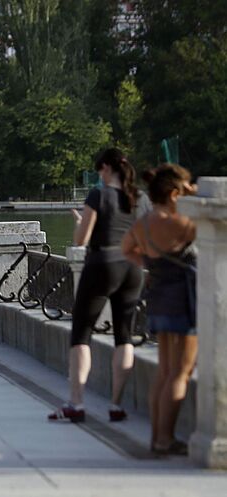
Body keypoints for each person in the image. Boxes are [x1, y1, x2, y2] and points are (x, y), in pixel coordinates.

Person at [48, 148, 151, 424]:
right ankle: (116, 405)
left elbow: (81, 240)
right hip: (132, 268)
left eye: (99, 172)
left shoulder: (98, 195)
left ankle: (76, 403)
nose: (99, 177)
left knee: (81, 333)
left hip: (102, 263)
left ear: (106, 168)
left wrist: (81, 225)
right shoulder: (140, 198)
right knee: (124, 335)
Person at [122, 164, 197, 456]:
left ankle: (157, 436)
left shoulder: (143, 224)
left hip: (158, 299)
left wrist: (150, 267)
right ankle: (165, 439)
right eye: (186, 188)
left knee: (164, 372)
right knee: (180, 373)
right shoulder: (182, 224)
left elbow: (127, 248)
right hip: (183, 302)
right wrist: (196, 195)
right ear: (175, 193)